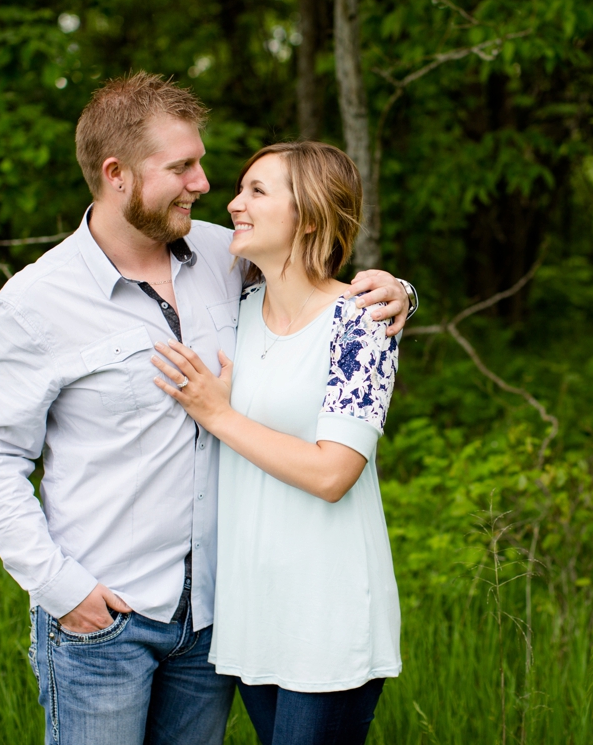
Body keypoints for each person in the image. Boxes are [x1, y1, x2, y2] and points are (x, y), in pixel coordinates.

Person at [0, 73, 415, 745]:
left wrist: (397, 290)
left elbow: (320, 291)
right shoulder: (36, 303)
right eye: (183, 167)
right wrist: (61, 588)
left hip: (212, 624)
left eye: (201, 163)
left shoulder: (220, 258)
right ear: (117, 174)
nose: (206, 184)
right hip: (105, 620)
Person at [151, 141, 401, 745]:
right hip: (254, 611)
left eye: (257, 192)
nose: (234, 203)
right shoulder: (239, 306)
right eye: (240, 188)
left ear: (310, 216)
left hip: (327, 614)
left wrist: (218, 414)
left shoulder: (361, 323)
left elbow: (332, 474)